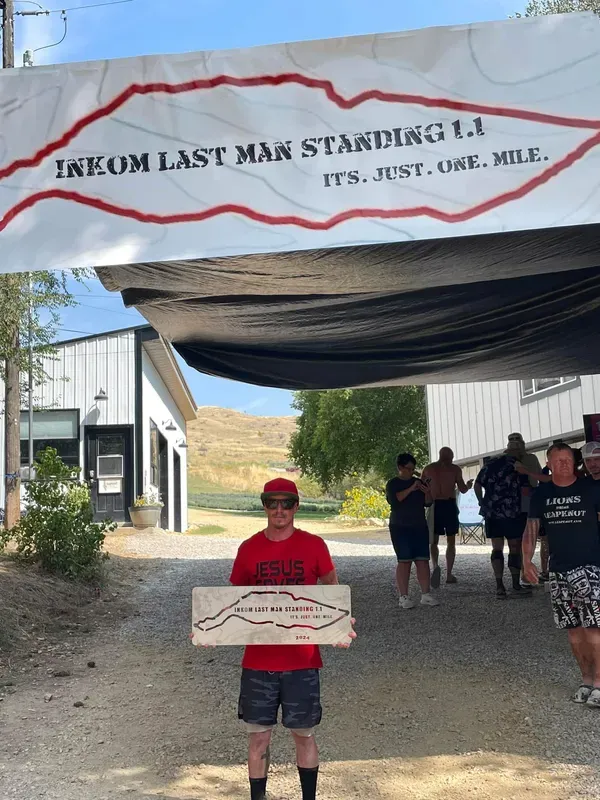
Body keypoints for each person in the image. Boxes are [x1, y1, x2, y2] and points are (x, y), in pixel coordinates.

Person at [227, 478, 356, 800]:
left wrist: (339, 625)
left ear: (297, 506)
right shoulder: (249, 548)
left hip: (302, 659)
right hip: (258, 661)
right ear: (264, 505)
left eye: (287, 502)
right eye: (272, 502)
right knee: (258, 738)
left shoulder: (314, 546)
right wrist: (208, 628)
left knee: (304, 735)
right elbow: (232, 601)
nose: (279, 509)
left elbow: (332, 590)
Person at [523, 443, 600, 708]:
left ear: (575, 462)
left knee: (594, 628)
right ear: (549, 463)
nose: (564, 464)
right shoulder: (542, 494)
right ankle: (586, 680)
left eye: (568, 459)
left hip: (590, 568)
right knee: (574, 631)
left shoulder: (591, 489)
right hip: (559, 572)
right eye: (558, 460)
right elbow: (532, 527)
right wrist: (526, 560)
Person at [474, 442, 532, 599]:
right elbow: (526, 490)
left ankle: (499, 586)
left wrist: (482, 502)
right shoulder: (520, 466)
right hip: (514, 512)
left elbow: (477, 484)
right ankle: (515, 584)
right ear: (519, 452)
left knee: (497, 548)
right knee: (514, 548)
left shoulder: (490, 463)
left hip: (493, 513)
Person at [385, 453, 440, 610]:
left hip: (419, 525)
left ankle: (426, 595)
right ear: (400, 467)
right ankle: (403, 596)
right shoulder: (393, 484)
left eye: (413, 469)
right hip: (400, 526)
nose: (411, 472)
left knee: (422, 560)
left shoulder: (418, 482)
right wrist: (411, 489)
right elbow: (395, 501)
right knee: (404, 561)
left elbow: (428, 503)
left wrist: (427, 491)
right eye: (408, 469)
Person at [422, 447, 473, 586]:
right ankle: (449, 574)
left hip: (434, 505)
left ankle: (435, 566)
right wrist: (468, 485)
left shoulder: (428, 468)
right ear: (451, 457)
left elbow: (422, 488)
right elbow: (462, 489)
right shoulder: (455, 469)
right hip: (449, 504)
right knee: (451, 540)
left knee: (434, 540)